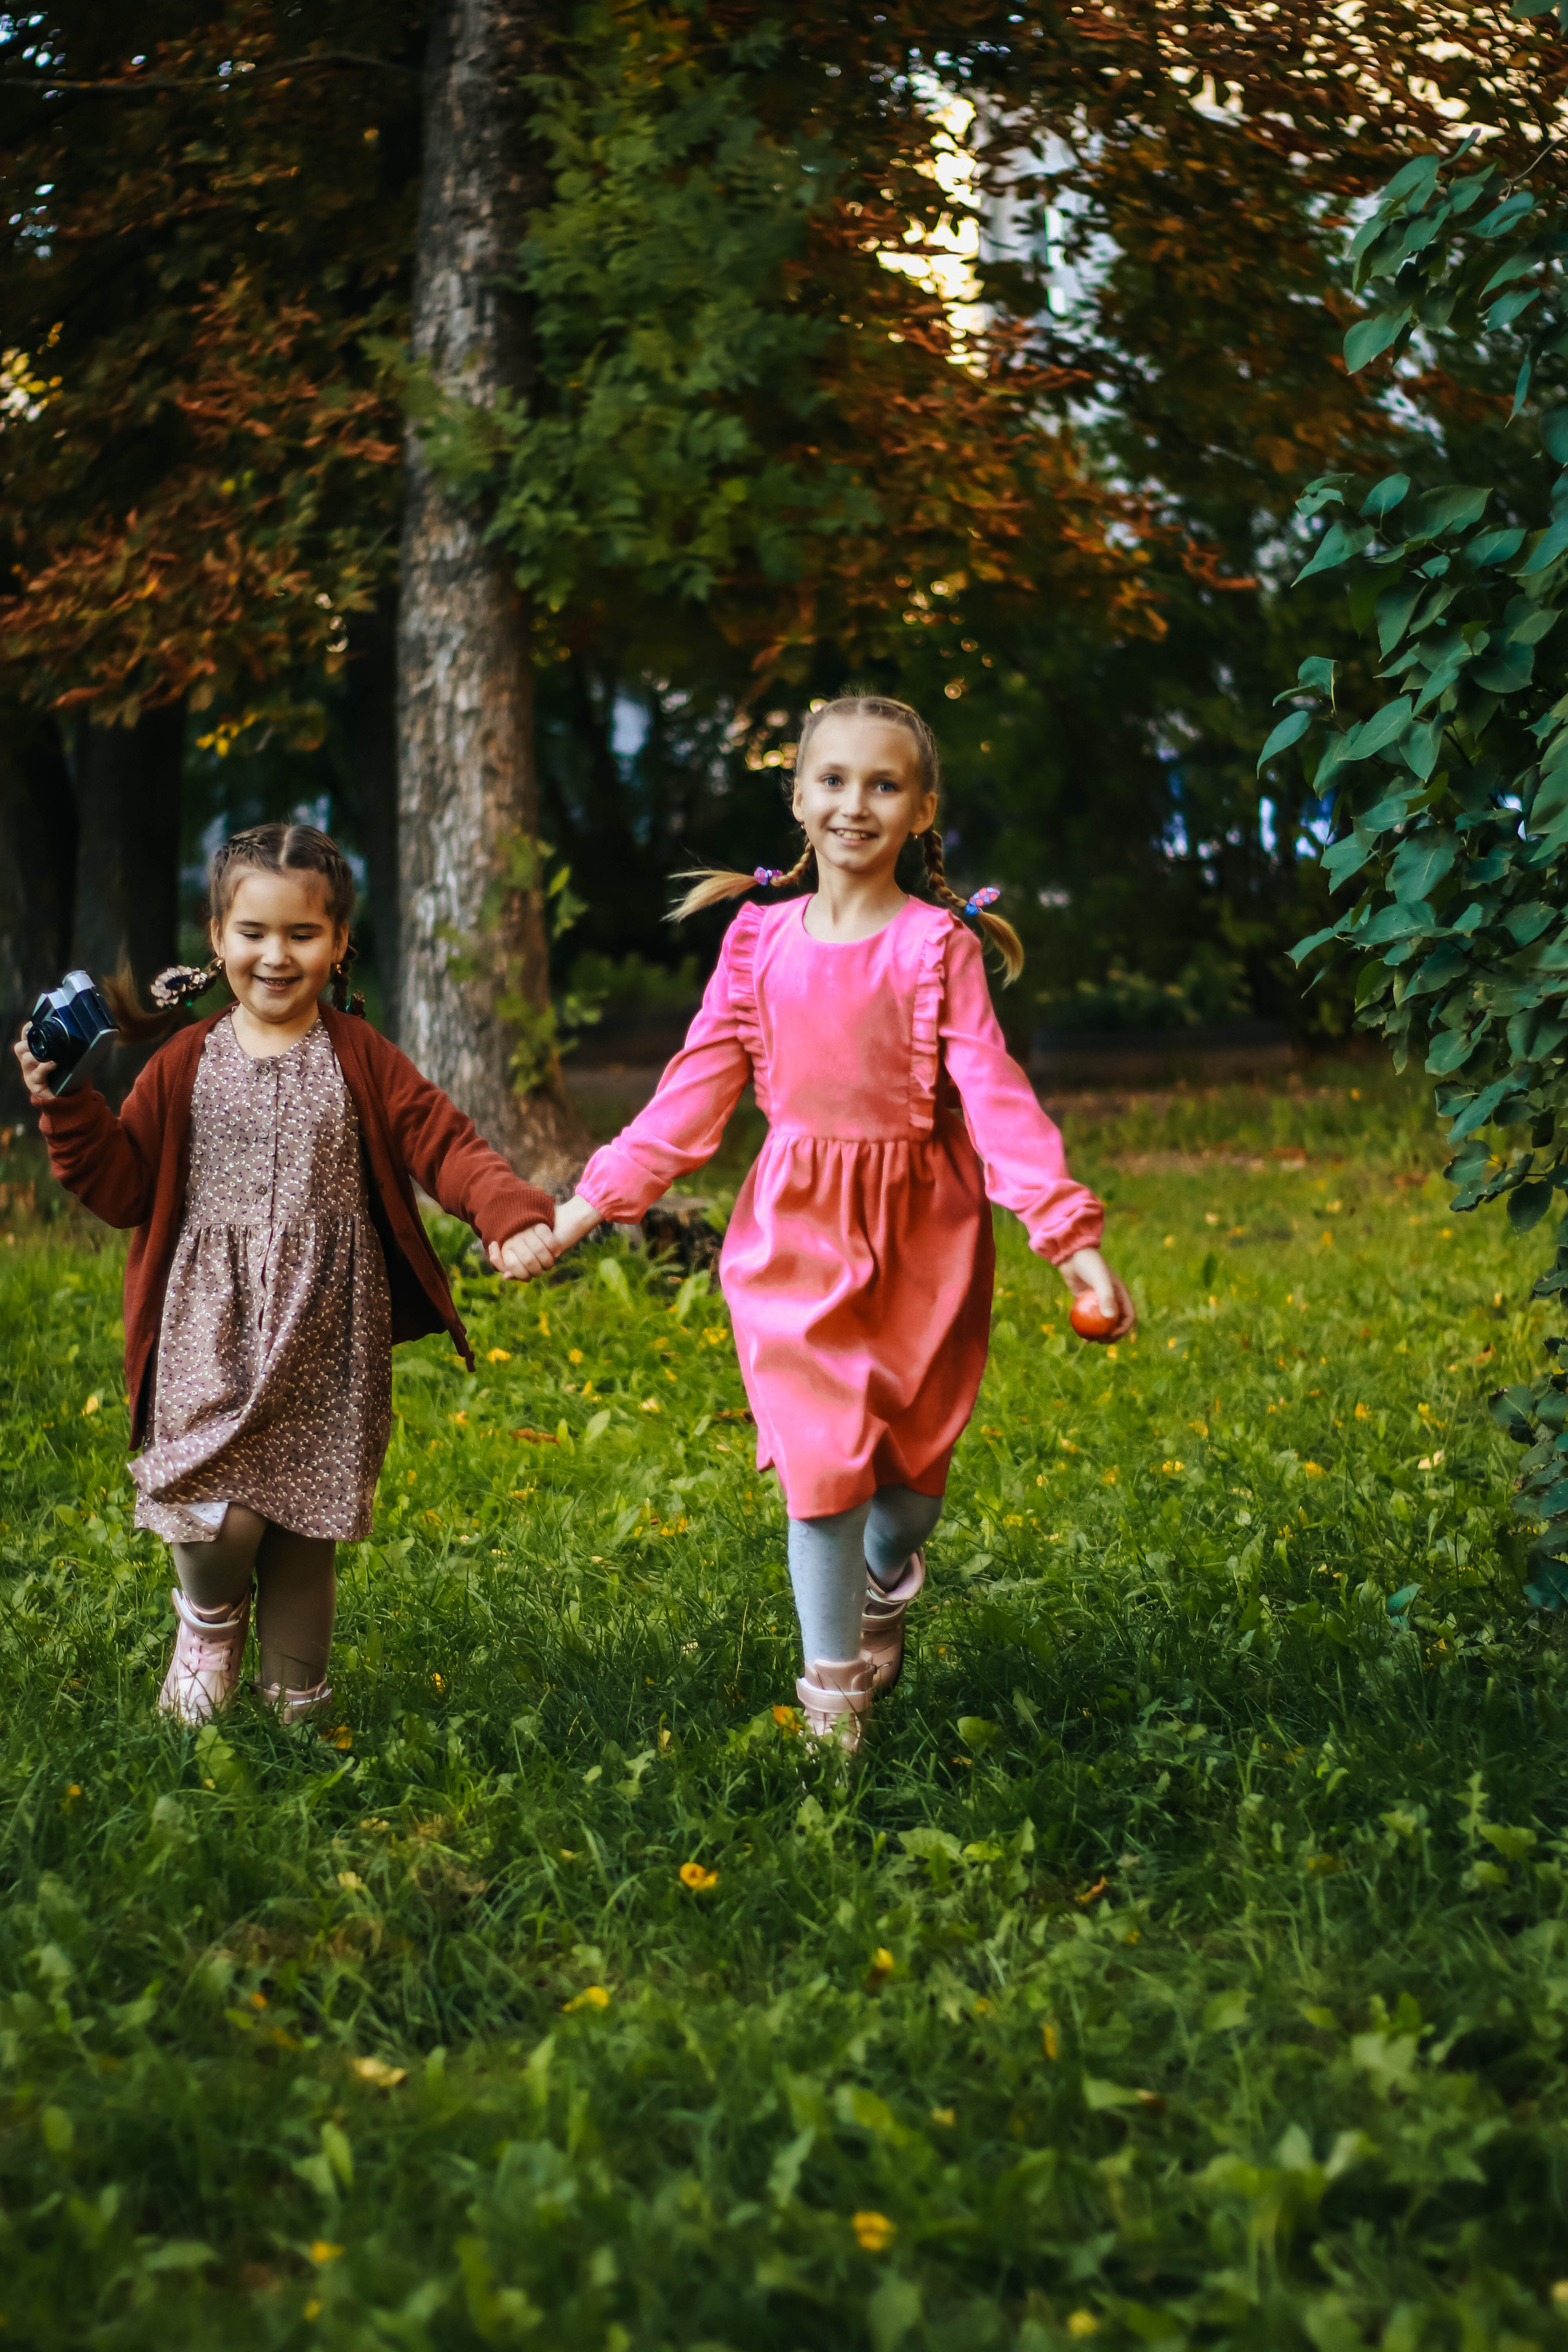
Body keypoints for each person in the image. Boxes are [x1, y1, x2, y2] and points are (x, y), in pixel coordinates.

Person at [540, 695, 1135, 1752]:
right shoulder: (755, 942)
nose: (855, 804)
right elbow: (689, 1099)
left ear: (921, 810)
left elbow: (997, 1100)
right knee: (822, 1477)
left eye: (883, 784)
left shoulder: (938, 947)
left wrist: (1072, 1243)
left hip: (925, 1239)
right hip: (795, 1236)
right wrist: (584, 1210)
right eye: (833, 780)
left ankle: (882, 1579)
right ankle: (833, 1708)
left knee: (904, 1497)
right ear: (798, 799)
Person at [14, 823, 558, 1726]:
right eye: (254, 932)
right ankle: (208, 1620)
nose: (276, 955)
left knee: (304, 1530)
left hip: (324, 1333)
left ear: (340, 942)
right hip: (207, 1328)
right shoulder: (183, 1061)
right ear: (217, 936)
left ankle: (296, 1710)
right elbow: (122, 1188)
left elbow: (443, 1141)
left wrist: (506, 1211)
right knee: (217, 1516)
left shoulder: (361, 1055)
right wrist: (64, 1102)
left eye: (303, 934)